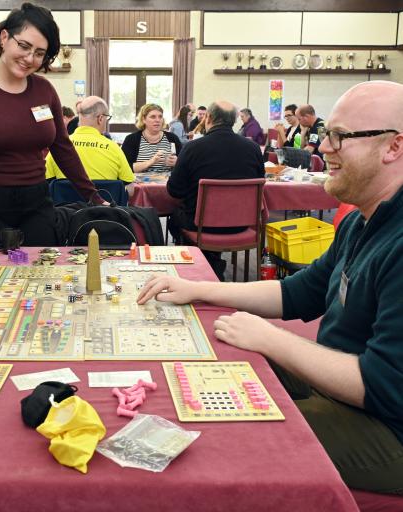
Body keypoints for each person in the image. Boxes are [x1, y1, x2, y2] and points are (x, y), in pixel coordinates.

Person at [139, 80, 403, 495]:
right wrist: (200, 290)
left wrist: (270, 339)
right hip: (344, 387)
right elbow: (297, 292)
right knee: (219, 349)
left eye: (339, 137)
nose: (324, 148)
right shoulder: (360, 221)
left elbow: (383, 384)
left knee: (229, 434)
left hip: (388, 429)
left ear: (393, 147)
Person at [0, 3, 100, 259]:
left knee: (43, 274)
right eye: (24, 46)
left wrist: (93, 196)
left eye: (39, 53)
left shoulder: (44, 90)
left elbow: (62, 147)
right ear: (4, 37)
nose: (29, 59)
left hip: (36, 202)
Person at [166, 101, 265, 280]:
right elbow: (260, 182)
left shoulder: (192, 148)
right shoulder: (253, 148)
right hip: (241, 225)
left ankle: (200, 265)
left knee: (175, 217)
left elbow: (175, 191)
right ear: (234, 120)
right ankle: (212, 262)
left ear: (208, 118)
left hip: (200, 226)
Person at [45, 96, 135, 196]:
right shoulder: (114, 148)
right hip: (105, 210)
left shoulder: (60, 147)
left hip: (67, 210)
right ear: (100, 119)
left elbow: (45, 182)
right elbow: (130, 190)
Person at [121, 103, 182, 173]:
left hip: (168, 183)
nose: (157, 120)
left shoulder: (172, 138)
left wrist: (177, 163)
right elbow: (125, 168)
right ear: (143, 119)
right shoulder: (132, 139)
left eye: (160, 117)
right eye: (153, 117)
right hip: (139, 183)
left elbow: (185, 165)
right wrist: (151, 162)